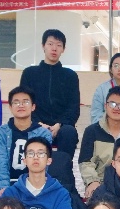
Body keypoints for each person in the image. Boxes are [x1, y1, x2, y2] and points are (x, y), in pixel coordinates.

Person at [19, 28, 81, 156]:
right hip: (36, 123)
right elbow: (24, 102)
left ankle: (64, 167)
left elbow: (73, 107)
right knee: (30, 131)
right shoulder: (30, 73)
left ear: (63, 49)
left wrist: (60, 124)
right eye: (50, 44)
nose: (54, 48)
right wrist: (39, 124)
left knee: (69, 132)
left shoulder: (70, 76)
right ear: (43, 46)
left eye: (59, 45)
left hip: (62, 127)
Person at [79, 86, 120, 199]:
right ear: (105, 106)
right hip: (100, 184)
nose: (116, 108)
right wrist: (92, 181)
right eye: (112, 104)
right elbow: (85, 163)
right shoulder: (92, 131)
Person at [0, 86, 54, 197]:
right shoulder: (0, 133)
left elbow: (42, 165)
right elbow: (0, 162)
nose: (21, 105)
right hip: (8, 185)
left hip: (34, 185)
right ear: (10, 107)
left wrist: (34, 188)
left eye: (25, 102)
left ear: (33, 107)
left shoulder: (43, 134)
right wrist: (4, 187)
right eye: (16, 102)